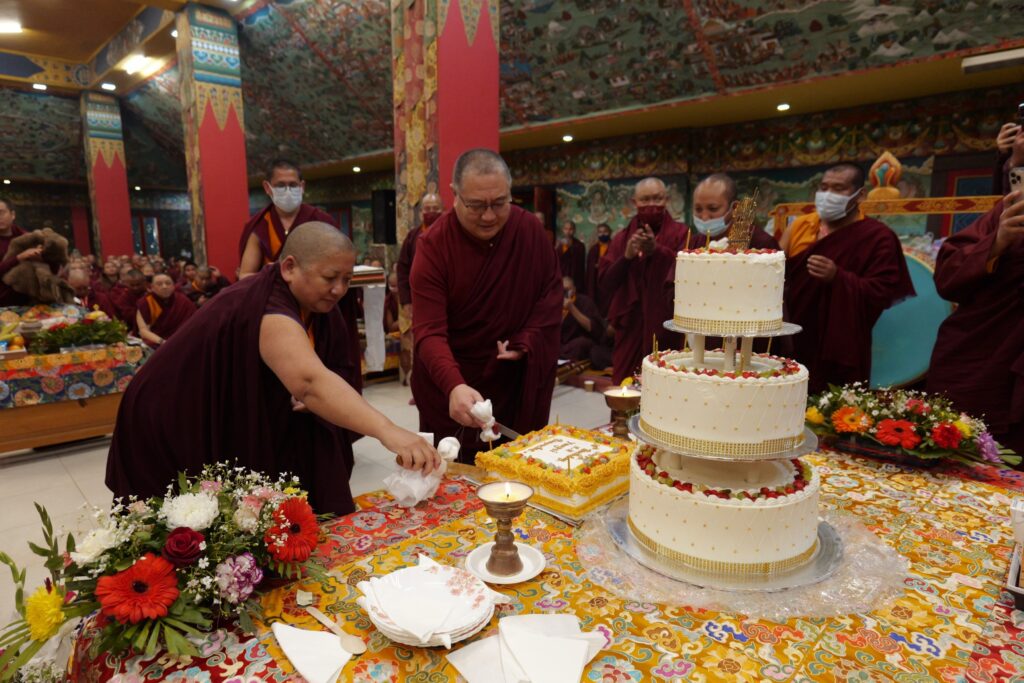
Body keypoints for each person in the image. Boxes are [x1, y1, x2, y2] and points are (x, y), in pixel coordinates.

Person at [106, 223, 439, 516]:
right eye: (329, 278)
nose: (339, 289)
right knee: (186, 521)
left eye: (346, 280)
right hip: (166, 413)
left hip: (213, 408)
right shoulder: (269, 306)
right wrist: (387, 430)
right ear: (289, 267)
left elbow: (327, 370)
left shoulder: (316, 306)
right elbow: (310, 382)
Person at [411, 149, 561, 463]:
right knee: (458, 477)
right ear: (454, 194)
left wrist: (525, 342)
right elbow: (429, 333)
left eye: (500, 203)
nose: (489, 216)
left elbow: (549, 299)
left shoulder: (529, 231)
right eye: (477, 205)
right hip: (452, 388)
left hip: (512, 384)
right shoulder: (434, 246)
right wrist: (454, 385)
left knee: (518, 473)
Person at [783, 163, 915, 394]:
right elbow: (774, 274)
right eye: (824, 187)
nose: (827, 195)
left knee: (834, 407)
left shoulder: (878, 237)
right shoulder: (800, 226)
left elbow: (883, 291)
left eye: (838, 189)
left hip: (841, 346)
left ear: (860, 195)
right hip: (793, 338)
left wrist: (839, 277)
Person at [239, 158, 363, 393]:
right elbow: (246, 274)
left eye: (293, 185)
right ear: (267, 187)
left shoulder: (321, 222)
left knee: (323, 373)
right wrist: (275, 285)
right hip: (273, 310)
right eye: (281, 185)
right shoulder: (259, 226)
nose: (288, 191)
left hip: (319, 311)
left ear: (302, 186)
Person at [928, 192, 1024, 453]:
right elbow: (947, 278)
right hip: (979, 350)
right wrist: (996, 242)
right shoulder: (1009, 210)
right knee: (954, 444)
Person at [598, 177, 688, 383]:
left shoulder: (681, 234)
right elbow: (605, 283)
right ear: (634, 202)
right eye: (645, 200)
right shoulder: (621, 239)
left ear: (666, 199)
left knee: (666, 385)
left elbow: (689, 276)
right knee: (624, 385)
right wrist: (626, 257)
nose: (651, 205)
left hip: (666, 325)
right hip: (630, 327)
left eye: (657, 199)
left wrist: (658, 251)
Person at [396, 193, 443, 387]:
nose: (431, 212)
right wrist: (406, 300)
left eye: (435, 208)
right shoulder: (413, 236)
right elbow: (402, 268)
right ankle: (421, 387)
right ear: (421, 211)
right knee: (422, 341)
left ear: (442, 210)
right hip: (419, 300)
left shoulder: (449, 233)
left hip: (445, 299)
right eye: (427, 209)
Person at [688, 173, 779, 250]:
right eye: (698, 209)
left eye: (713, 209)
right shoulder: (694, 243)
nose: (704, 217)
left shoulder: (762, 243)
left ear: (735, 208)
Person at [135, 273, 196, 349]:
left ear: (173, 286)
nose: (164, 286)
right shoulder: (146, 302)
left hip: (181, 340)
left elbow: (194, 323)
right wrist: (163, 342)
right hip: (157, 342)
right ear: (152, 287)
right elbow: (143, 331)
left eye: (168, 283)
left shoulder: (183, 300)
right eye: (159, 284)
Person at [560, 275, 606, 362]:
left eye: (567, 290)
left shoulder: (585, 302)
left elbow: (594, 328)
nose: (565, 293)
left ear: (574, 289)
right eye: (562, 290)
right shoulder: (556, 303)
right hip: (561, 345)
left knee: (581, 343)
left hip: (577, 343)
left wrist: (572, 308)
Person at [0, 197, 36, 306]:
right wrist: (18, 258)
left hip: (30, 300)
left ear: (13, 215)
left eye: (1, 213)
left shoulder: (27, 237)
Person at [109, 269, 148, 333]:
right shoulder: (123, 297)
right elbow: (127, 317)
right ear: (126, 283)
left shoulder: (150, 294)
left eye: (138, 284)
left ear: (144, 282)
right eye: (132, 285)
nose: (135, 287)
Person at [585, 223, 612, 309]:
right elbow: (590, 269)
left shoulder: (614, 247)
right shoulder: (594, 249)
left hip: (610, 280)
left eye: (605, 231)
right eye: (600, 232)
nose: (603, 234)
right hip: (596, 281)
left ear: (610, 232)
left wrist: (604, 266)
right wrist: (596, 266)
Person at [557, 220, 586, 291]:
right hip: (561, 274)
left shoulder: (580, 245)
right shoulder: (558, 244)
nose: (568, 231)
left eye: (570, 229)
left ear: (574, 230)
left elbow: (580, 263)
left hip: (575, 275)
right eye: (566, 229)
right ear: (563, 230)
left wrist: (570, 247)